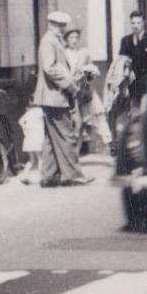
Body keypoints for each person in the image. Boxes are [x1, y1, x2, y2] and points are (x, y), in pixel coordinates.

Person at [29, 11, 91, 187]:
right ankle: (73, 175)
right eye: (59, 26)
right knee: (66, 135)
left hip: (50, 97)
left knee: (51, 136)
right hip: (55, 96)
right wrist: (70, 84)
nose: (62, 29)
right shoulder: (49, 42)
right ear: (51, 25)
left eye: (63, 26)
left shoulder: (51, 41)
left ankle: (49, 176)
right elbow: (50, 68)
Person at [63, 25, 111, 158]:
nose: (74, 40)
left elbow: (92, 70)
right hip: (68, 91)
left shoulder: (84, 52)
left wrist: (89, 73)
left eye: (76, 37)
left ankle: (77, 152)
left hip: (83, 90)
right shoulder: (63, 53)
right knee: (72, 123)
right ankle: (71, 153)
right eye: (71, 37)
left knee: (87, 119)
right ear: (66, 39)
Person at [115, 10, 147, 138]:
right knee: (134, 113)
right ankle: (136, 139)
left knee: (144, 112)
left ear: (143, 23)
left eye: (138, 23)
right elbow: (122, 61)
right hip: (132, 84)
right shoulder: (125, 41)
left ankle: (146, 140)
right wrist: (127, 71)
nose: (136, 25)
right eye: (133, 23)